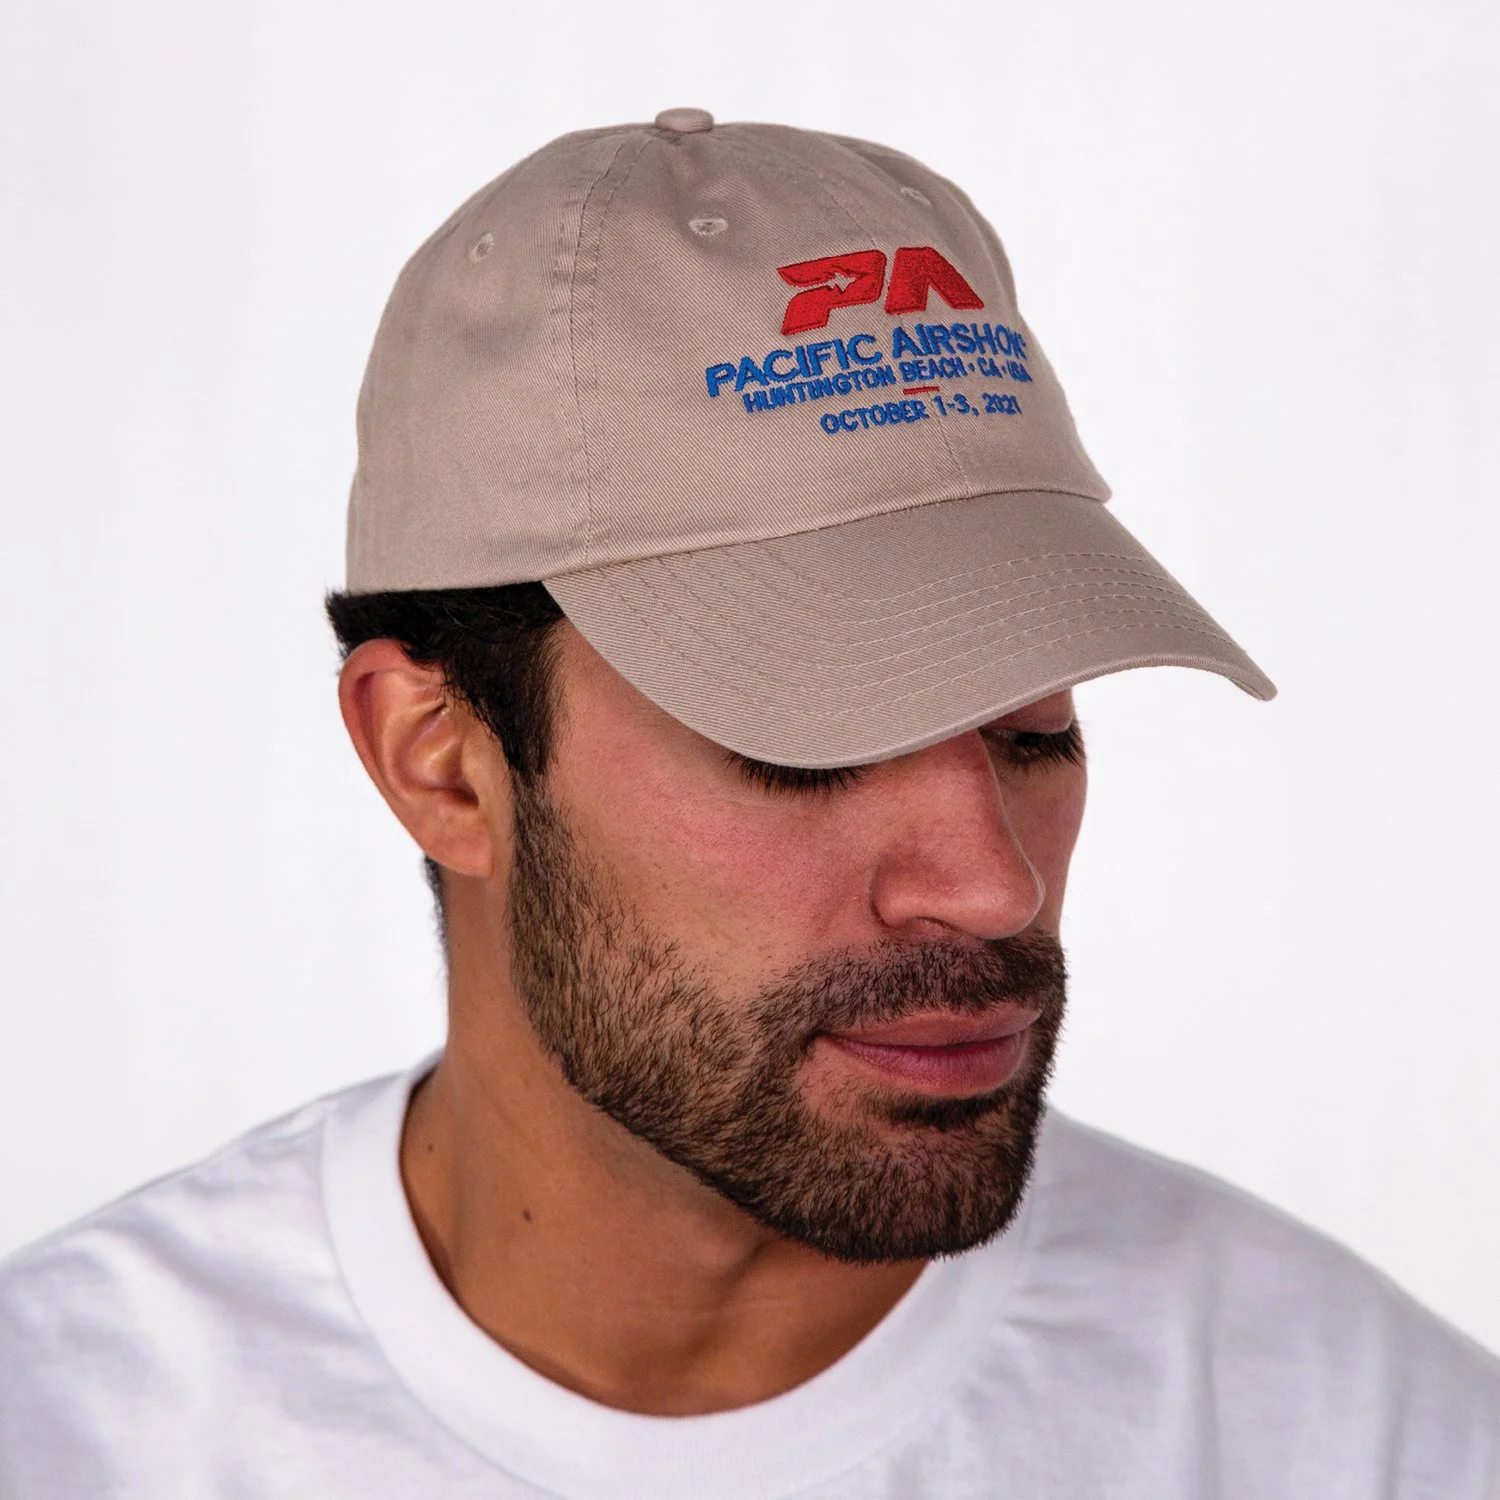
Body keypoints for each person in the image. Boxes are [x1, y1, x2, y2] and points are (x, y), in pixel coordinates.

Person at [0, 108, 1494, 1499]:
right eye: (804, 745)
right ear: (438, 757)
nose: (992, 887)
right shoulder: (74, 1431)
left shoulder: (1361, 1437)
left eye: (1034, 729)